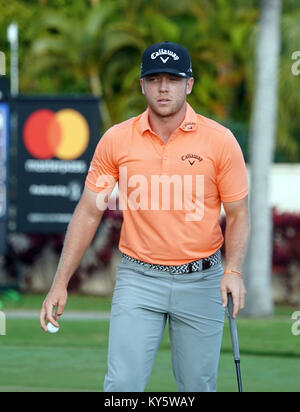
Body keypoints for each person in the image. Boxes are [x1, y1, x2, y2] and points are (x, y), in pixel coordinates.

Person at [40, 41, 249, 392]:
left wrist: (234, 270)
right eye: (154, 79)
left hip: (202, 281)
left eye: (173, 78)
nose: (163, 87)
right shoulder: (117, 140)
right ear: (142, 85)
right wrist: (60, 282)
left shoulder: (220, 141)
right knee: (121, 387)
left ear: (189, 84)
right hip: (139, 279)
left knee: (198, 386)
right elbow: (90, 211)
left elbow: (239, 213)